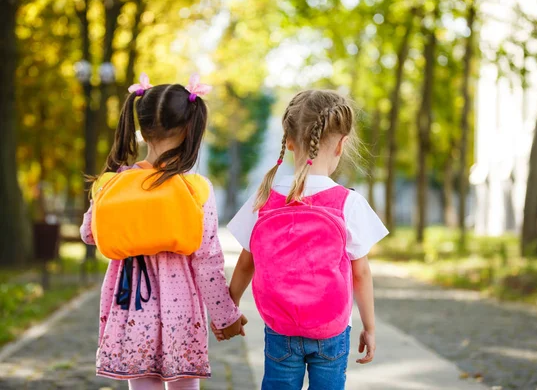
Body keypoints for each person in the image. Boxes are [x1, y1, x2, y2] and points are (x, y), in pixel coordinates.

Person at [80, 73, 245, 390]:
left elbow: (90, 234)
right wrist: (226, 317)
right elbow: (207, 262)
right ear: (189, 129)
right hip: (179, 311)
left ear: (141, 129)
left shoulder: (112, 184)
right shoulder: (195, 190)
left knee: (143, 384)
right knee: (185, 384)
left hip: (130, 306)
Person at [220, 90, 388, 390]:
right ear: (342, 144)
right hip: (331, 330)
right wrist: (370, 328)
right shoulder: (348, 203)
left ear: (289, 141)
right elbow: (360, 274)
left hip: (280, 326)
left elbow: (246, 264)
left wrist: (228, 309)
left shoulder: (264, 199)